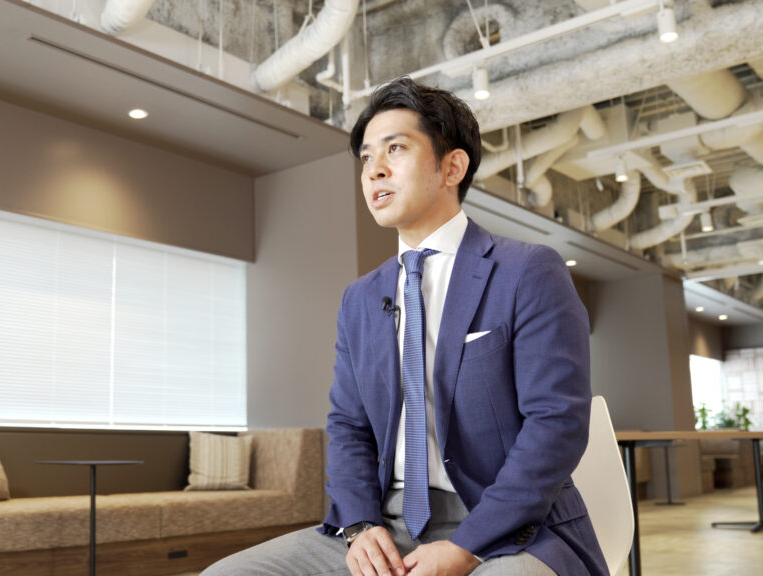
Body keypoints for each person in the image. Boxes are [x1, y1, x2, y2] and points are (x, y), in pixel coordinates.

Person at [202, 77, 608, 576]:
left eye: (395, 148)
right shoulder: (359, 298)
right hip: (384, 526)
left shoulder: (528, 270)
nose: (375, 169)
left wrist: (466, 547)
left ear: (452, 167)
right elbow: (349, 428)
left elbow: (556, 423)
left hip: (508, 529)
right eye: (367, 158)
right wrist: (360, 526)